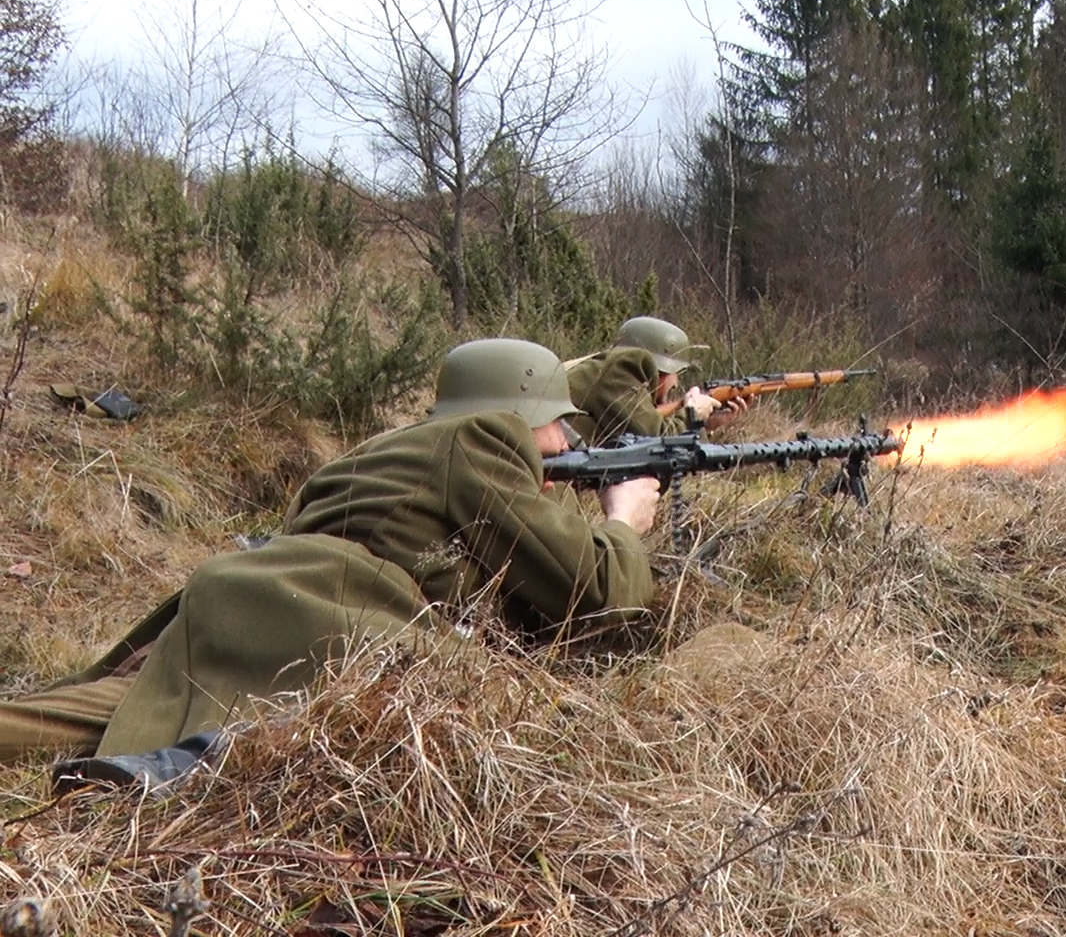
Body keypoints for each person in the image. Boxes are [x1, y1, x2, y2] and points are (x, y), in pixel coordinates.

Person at [0, 338, 659, 764]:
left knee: (101, 718)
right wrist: (624, 519)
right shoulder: (485, 440)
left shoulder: (389, 449)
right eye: (557, 419)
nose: (566, 435)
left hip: (244, 603)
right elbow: (600, 592)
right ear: (521, 412)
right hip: (318, 625)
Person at [566, 315, 747, 445]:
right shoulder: (620, 371)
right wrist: (692, 415)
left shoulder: (601, 370)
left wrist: (705, 425)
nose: (676, 383)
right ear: (660, 369)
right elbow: (655, 441)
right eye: (675, 372)